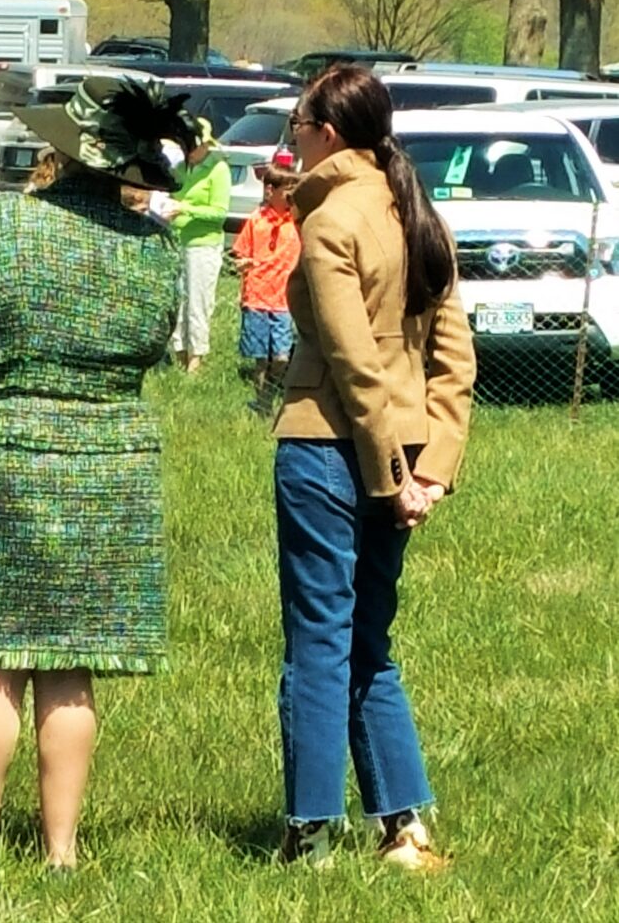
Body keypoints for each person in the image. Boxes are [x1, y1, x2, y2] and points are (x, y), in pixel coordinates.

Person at [0, 76, 187, 870]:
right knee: (71, 667)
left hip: (2, 454)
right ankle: (62, 853)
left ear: (61, 155)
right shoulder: (157, 252)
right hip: (113, 460)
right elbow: (152, 346)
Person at [273, 65, 476, 869]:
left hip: (329, 447)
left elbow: (356, 367)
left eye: (297, 124)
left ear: (327, 133)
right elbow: (455, 362)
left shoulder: (332, 220)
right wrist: (430, 467)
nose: (292, 137)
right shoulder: (418, 209)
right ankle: (405, 827)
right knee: (370, 642)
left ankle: (312, 835)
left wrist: (391, 475)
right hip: (402, 456)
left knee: (319, 642)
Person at [231, 166, 301, 415]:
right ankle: (262, 403)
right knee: (261, 357)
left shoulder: (296, 221)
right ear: (270, 190)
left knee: (281, 357)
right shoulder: (257, 220)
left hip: (284, 299)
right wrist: (243, 263)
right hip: (257, 296)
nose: (292, 194)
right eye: (288, 189)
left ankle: (269, 394)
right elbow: (240, 253)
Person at [163, 117, 230, 372]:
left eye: (192, 146)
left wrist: (185, 208)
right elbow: (169, 196)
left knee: (198, 303)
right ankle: (178, 353)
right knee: (176, 301)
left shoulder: (218, 169)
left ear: (205, 145)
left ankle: (196, 359)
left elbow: (220, 213)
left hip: (203, 244)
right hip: (177, 241)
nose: (187, 151)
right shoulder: (180, 168)